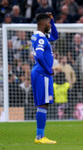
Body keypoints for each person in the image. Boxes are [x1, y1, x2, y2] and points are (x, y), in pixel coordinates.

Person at [31, 13, 58, 144]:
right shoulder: (40, 37)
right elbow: (39, 56)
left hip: (41, 72)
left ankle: (40, 135)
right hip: (42, 73)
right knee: (43, 103)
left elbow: (55, 36)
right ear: (42, 23)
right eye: (48, 22)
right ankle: (40, 136)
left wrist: (52, 20)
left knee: (44, 103)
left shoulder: (42, 36)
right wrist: (49, 69)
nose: (49, 25)